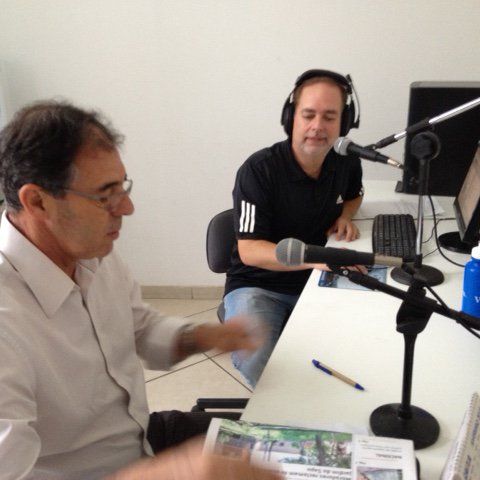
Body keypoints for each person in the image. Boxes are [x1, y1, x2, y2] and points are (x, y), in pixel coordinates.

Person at [0, 101, 281, 480]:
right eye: (105, 194)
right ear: (38, 202)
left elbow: (137, 327)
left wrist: (204, 336)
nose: (127, 207)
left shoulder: (91, 253)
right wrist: (168, 474)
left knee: (303, 451)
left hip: (139, 437)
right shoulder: (7, 318)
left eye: (123, 187)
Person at [224, 69, 365, 388]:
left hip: (318, 278)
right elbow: (250, 250)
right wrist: (318, 259)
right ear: (291, 118)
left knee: (363, 343)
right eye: (308, 115)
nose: (318, 126)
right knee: (256, 359)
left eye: (329, 117)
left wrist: (346, 215)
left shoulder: (346, 161)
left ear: (343, 123)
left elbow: (355, 195)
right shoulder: (258, 170)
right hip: (259, 284)